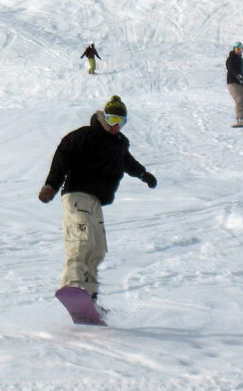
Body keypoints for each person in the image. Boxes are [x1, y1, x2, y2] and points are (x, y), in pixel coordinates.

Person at [38, 95, 157, 305]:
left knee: (97, 248)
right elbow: (62, 157)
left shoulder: (119, 144)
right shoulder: (86, 135)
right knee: (81, 240)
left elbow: (128, 162)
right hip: (77, 195)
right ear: (104, 118)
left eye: (121, 122)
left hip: (95, 201)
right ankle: (72, 285)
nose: (116, 126)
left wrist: (143, 174)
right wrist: (51, 185)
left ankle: (90, 295)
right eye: (112, 120)